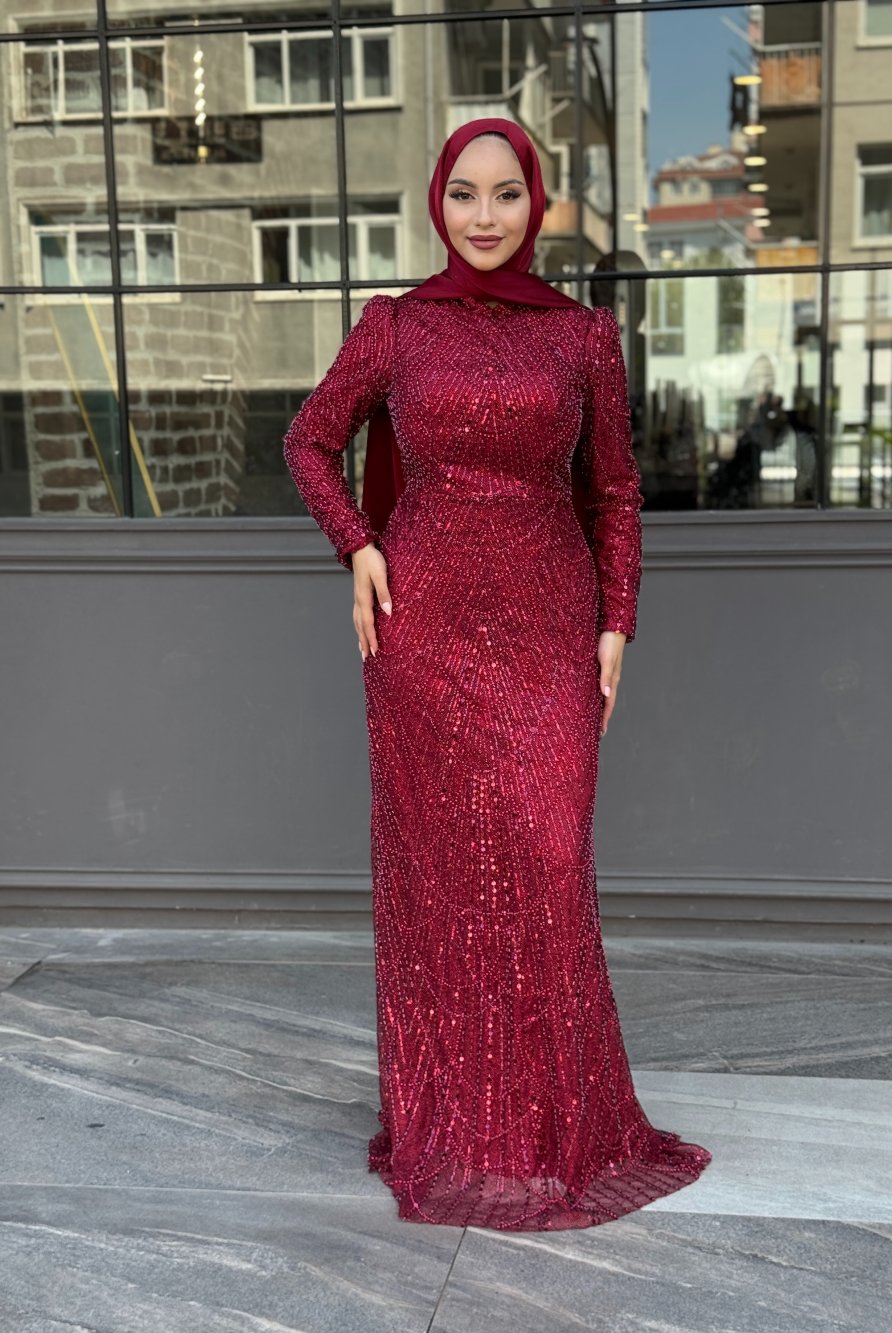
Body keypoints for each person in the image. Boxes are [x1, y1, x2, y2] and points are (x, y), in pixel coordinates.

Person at [283, 117, 712, 1230]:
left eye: (506, 193)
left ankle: (554, 1126)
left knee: (548, 860)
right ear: (438, 201)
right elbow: (308, 441)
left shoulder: (581, 337)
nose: (484, 215)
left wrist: (618, 623)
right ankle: (457, 1126)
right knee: (444, 885)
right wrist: (357, 544)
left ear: (537, 204)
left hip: (550, 628)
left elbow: (614, 492)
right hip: (421, 632)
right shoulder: (395, 326)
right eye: (464, 193)